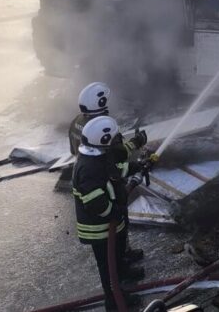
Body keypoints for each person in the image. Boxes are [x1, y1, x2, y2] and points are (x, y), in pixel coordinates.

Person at [69, 82, 147, 263]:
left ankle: (119, 259)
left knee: (109, 227)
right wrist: (136, 142)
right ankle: (123, 257)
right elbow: (118, 154)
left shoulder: (77, 122)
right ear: (101, 102)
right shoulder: (100, 128)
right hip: (107, 182)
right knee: (118, 221)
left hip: (87, 176)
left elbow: (74, 151)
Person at [72, 115, 144, 310]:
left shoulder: (99, 157)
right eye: (114, 140)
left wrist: (138, 166)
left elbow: (116, 170)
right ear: (104, 141)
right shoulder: (87, 168)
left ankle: (122, 281)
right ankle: (114, 301)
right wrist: (114, 211)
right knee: (108, 268)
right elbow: (95, 202)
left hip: (111, 223)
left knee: (118, 258)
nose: (117, 143)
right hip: (99, 229)